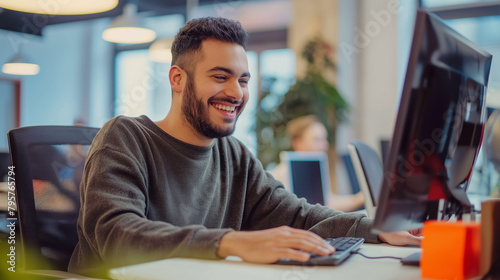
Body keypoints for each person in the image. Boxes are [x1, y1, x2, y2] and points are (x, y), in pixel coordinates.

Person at [68, 17, 421, 277]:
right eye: (220, 77)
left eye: (243, 80)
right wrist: (231, 242)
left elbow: (298, 215)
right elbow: (115, 235)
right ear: (178, 79)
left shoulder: (232, 154)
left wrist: (374, 227)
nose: (236, 93)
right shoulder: (125, 137)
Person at [269, 115, 365, 212]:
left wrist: (362, 196)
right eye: (318, 140)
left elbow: (328, 201)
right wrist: (362, 197)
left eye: (324, 139)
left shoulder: (313, 170)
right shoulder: (282, 175)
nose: (325, 145)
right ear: (298, 143)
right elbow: (325, 206)